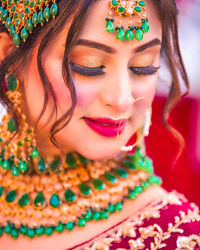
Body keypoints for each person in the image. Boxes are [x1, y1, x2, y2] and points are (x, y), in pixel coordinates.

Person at [0, 0, 199, 249]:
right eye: (89, 65)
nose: (122, 100)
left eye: (143, 66)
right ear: (9, 55)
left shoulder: (172, 233)